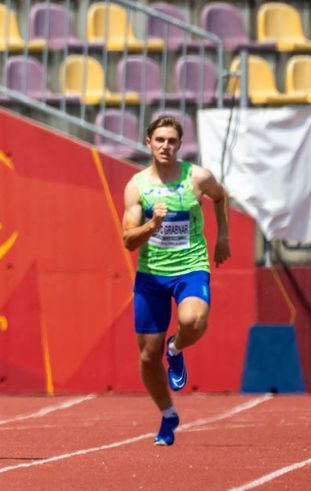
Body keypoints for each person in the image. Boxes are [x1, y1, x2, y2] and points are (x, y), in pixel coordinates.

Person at [122, 115, 230, 446]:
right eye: (160, 140)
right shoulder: (137, 186)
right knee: (146, 357)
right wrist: (152, 226)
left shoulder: (197, 177)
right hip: (152, 276)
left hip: (190, 266)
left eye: (172, 140)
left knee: (193, 320)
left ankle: (176, 346)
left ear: (180, 145)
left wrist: (222, 236)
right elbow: (128, 240)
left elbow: (221, 196)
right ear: (148, 143)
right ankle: (168, 415)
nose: (165, 146)